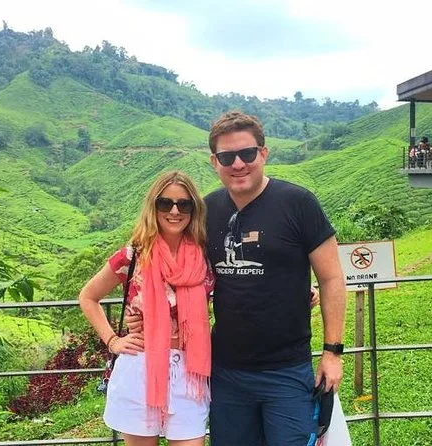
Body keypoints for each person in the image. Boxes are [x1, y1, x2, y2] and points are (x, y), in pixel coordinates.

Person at [205, 111, 347, 446]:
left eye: (247, 153)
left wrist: (333, 352)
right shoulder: (207, 210)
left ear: (263, 153)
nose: (238, 164)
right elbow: (178, 267)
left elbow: (331, 278)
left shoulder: (298, 203)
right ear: (214, 162)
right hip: (226, 372)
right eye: (227, 157)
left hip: (287, 370)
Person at [79, 171, 214, 446]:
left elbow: (236, 295)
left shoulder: (204, 255)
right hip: (140, 370)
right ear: (153, 207)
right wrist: (113, 340)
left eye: (184, 204)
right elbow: (88, 297)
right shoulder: (135, 254)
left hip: (190, 373)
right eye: (165, 203)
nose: (174, 211)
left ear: (193, 210)